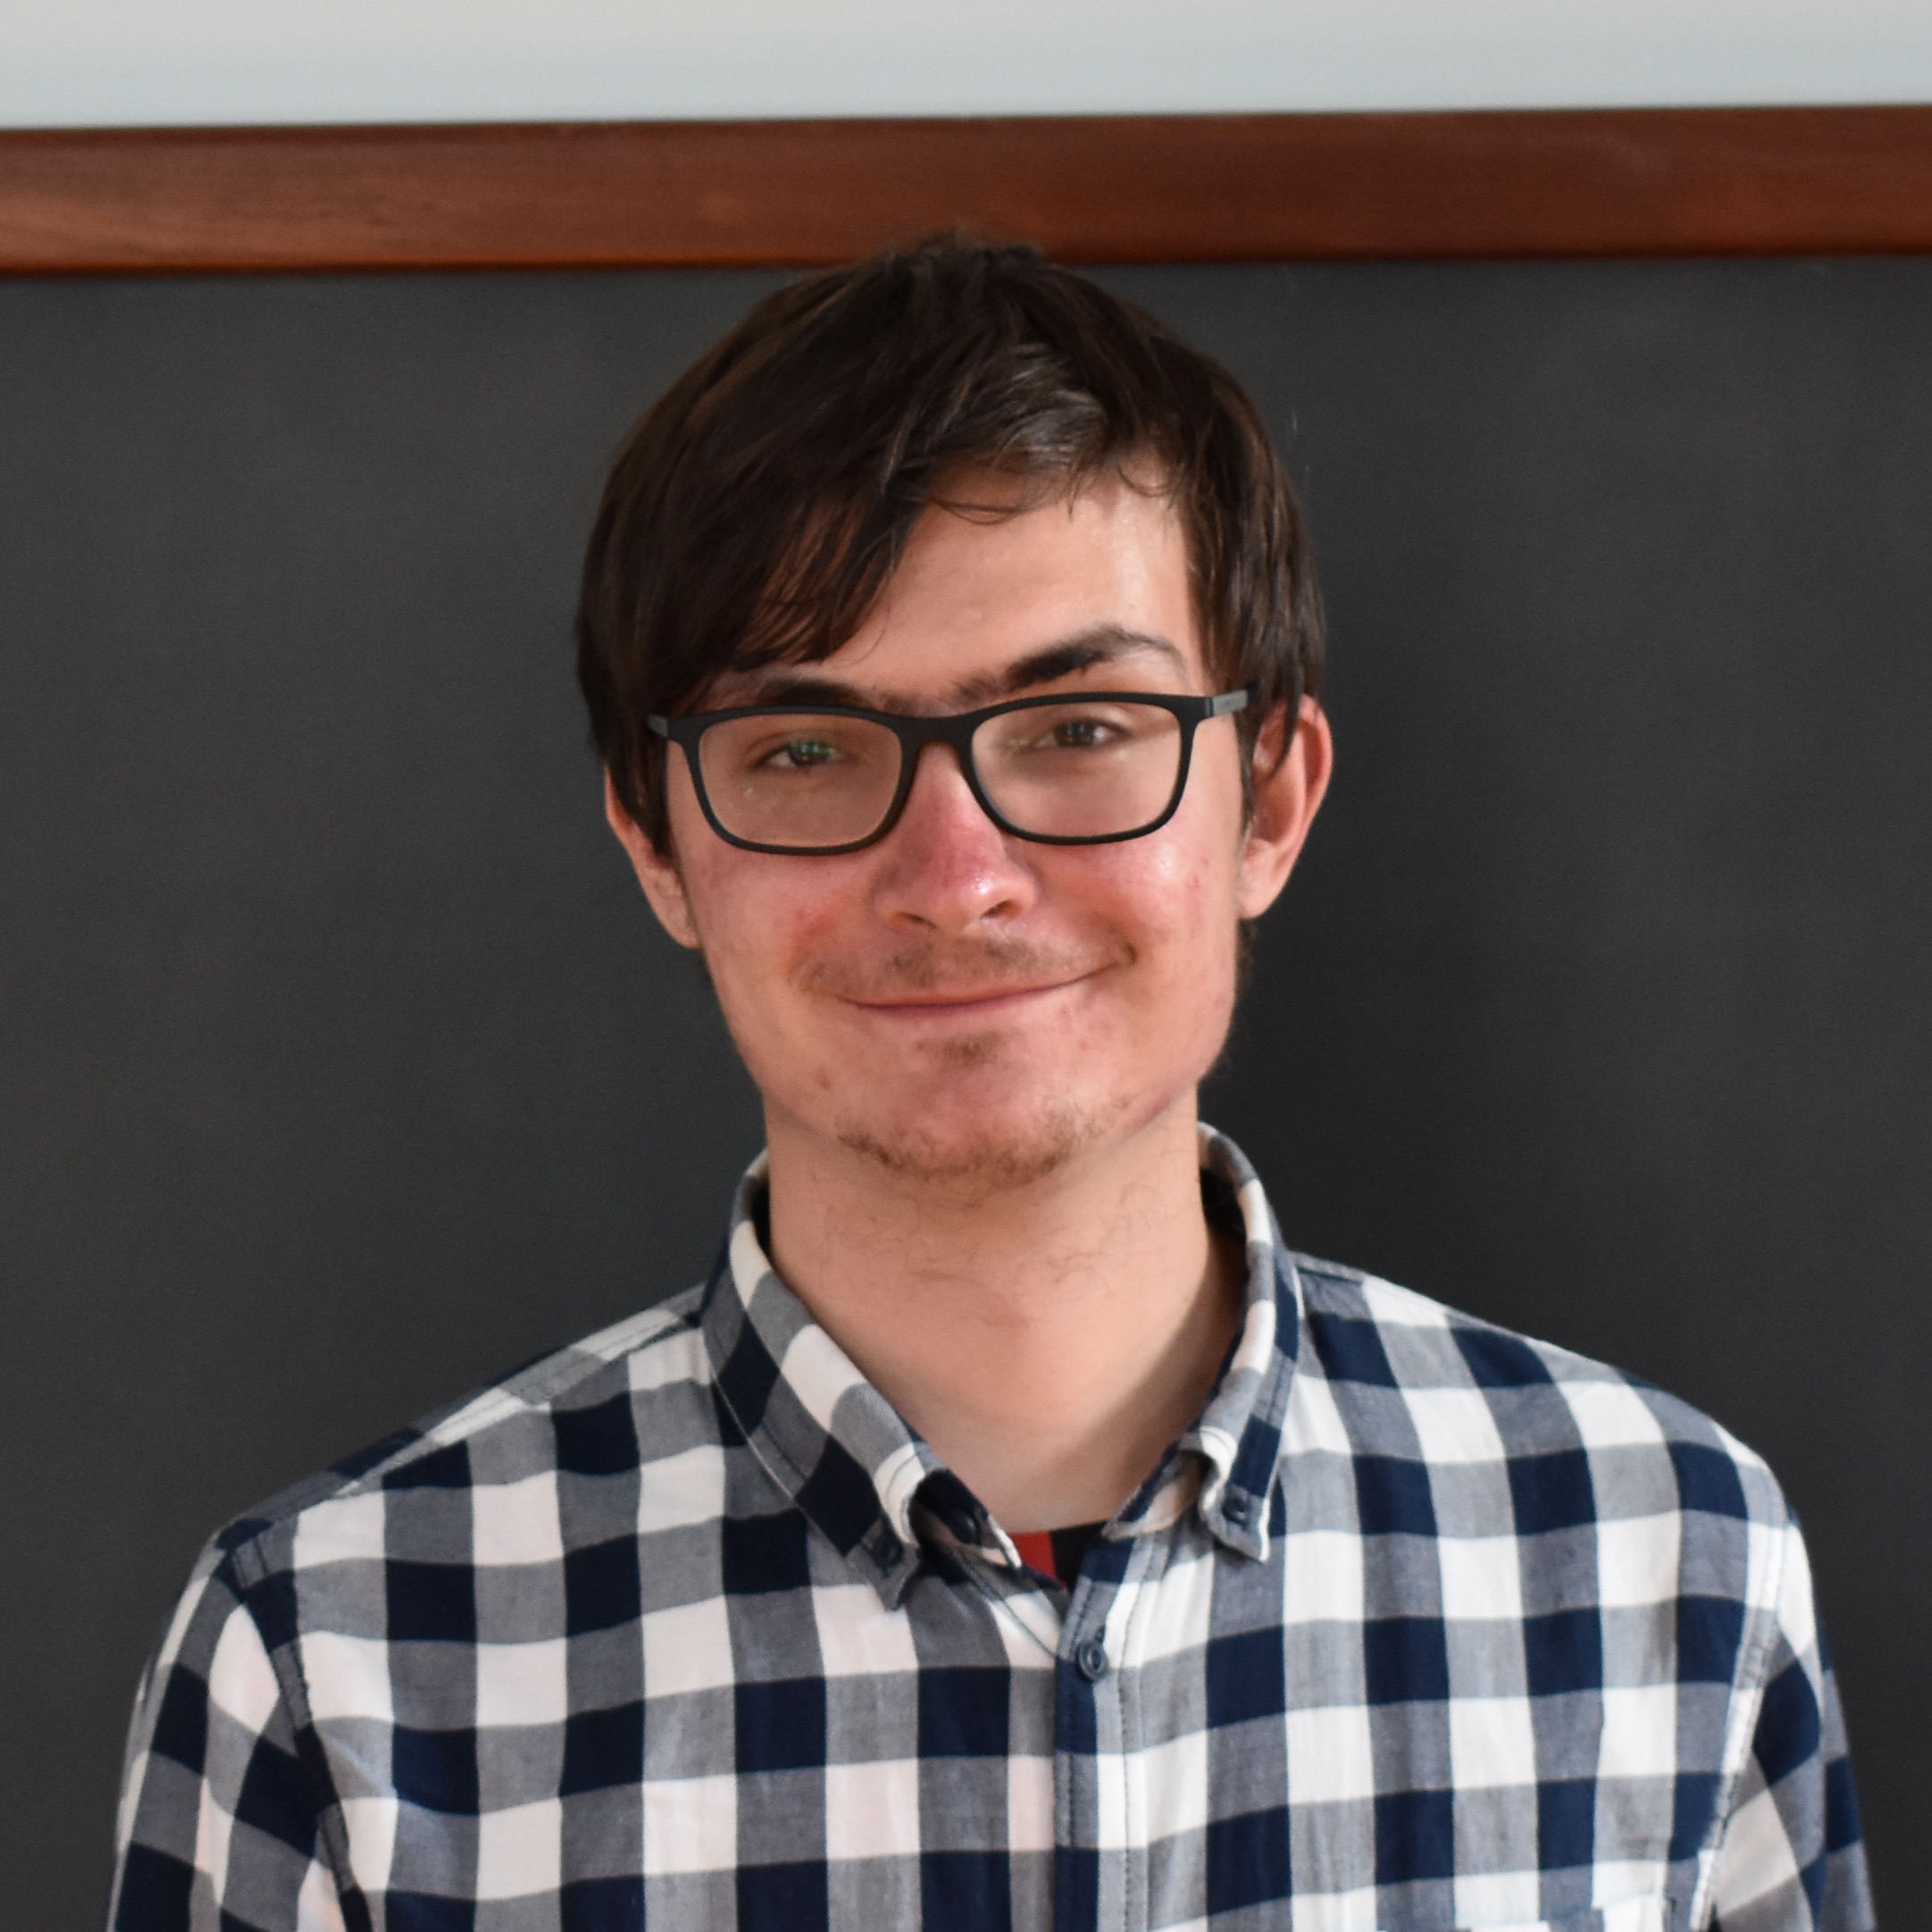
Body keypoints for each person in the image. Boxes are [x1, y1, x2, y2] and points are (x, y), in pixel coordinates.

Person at [109, 236, 1870, 1932]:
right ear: (655, 843)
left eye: (1078, 729)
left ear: (1266, 796)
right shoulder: (336, 1659)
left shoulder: (1657, 1562)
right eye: (803, 748)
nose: (953, 871)